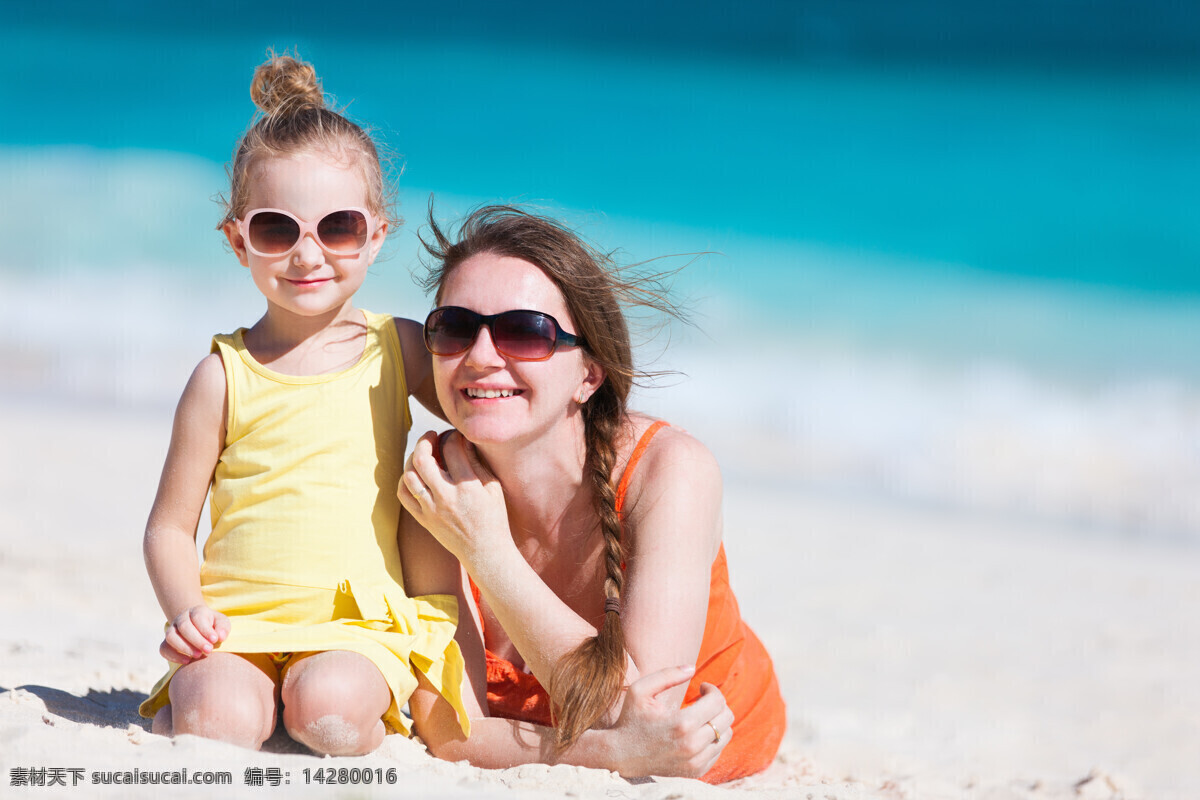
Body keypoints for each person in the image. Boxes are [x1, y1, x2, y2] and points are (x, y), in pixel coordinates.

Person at [138, 52, 468, 755]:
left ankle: (301, 701)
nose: (308, 253)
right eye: (277, 230)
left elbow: (484, 411)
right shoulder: (221, 376)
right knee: (217, 722)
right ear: (238, 241)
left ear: (376, 235)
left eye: (338, 227)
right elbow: (170, 528)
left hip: (356, 626)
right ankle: (202, 707)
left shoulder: (400, 349)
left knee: (332, 713)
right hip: (237, 627)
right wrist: (187, 612)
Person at [397, 205, 786, 781]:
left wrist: (487, 553)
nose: (479, 357)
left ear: (589, 374)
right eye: (454, 328)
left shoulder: (668, 471)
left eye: (524, 332)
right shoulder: (438, 492)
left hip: (723, 742)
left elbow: (637, 713)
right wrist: (608, 754)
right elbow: (451, 732)